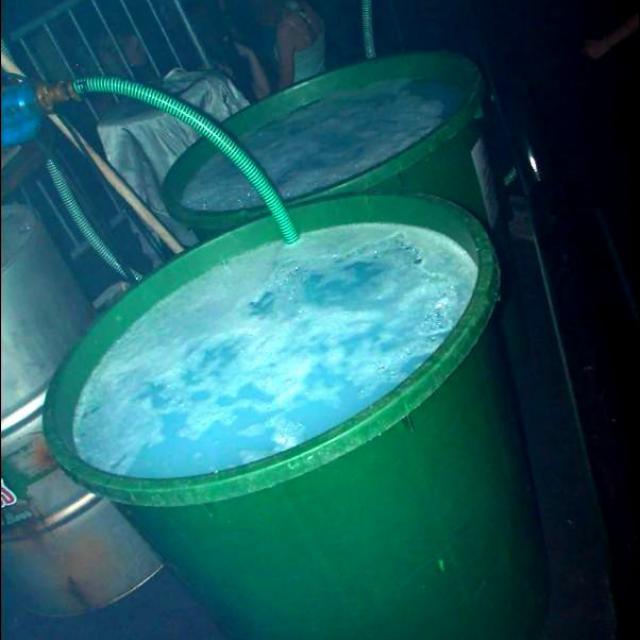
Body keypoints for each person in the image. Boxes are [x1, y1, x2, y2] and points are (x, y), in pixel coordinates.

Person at [253, 0, 325, 90]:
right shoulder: (311, 11)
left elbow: (286, 80)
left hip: (303, 93)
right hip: (324, 84)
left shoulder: (286, 30)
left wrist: (278, 98)